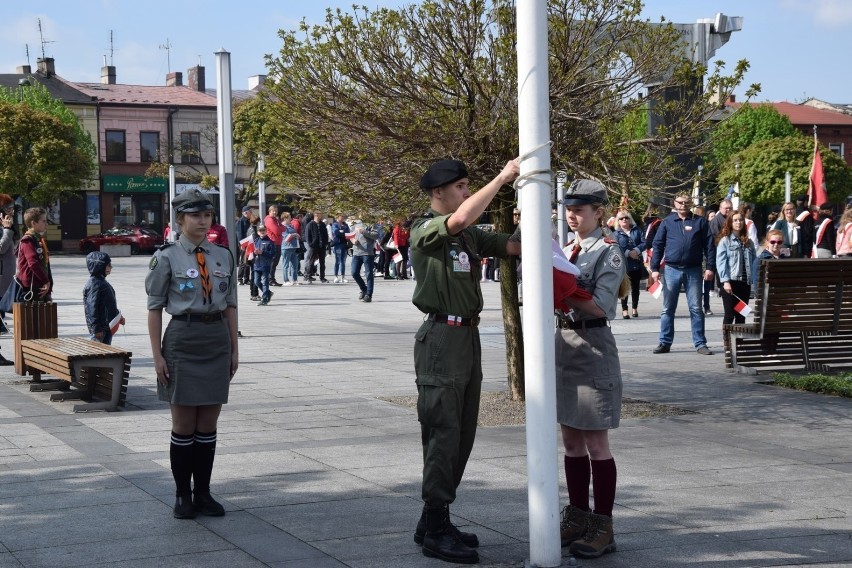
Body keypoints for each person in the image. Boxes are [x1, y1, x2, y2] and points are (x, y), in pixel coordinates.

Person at [410, 158, 521, 565]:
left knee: (463, 434)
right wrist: (503, 178)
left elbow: (511, 246)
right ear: (438, 191)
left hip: (467, 336)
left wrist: (535, 211)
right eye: (459, 186)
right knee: (443, 430)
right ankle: (436, 528)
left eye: (466, 185)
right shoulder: (426, 228)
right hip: (440, 337)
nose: (464, 191)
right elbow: (458, 219)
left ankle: (432, 519)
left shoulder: (469, 236)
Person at [145, 188, 238, 520]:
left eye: (207, 215)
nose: (203, 221)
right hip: (182, 338)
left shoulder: (224, 255)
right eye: (195, 215)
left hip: (215, 340)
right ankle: (182, 495)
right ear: (180, 219)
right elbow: (154, 309)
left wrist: (233, 350)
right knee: (184, 425)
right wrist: (157, 356)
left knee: (208, 424)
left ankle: (204, 493)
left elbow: (230, 305)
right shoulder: (167, 257)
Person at [555, 180, 624, 560]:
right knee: (570, 441)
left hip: (594, 346)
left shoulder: (608, 252)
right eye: (570, 208)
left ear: (599, 212)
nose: (573, 214)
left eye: (580, 209)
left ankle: (603, 523)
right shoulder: (567, 250)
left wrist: (563, 288)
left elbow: (601, 306)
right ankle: (578, 515)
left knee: (597, 444)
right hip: (565, 345)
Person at [650, 193, 715, 355]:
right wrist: (655, 268)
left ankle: (700, 344)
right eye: (680, 202)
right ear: (674, 203)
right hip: (671, 269)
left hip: (693, 270)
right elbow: (657, 245)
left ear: (691, 203)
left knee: (696, 308)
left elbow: (709, 246)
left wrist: (710, 267)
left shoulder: (700, 221)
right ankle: (664, 342)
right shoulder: (667, 222)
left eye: (686, 202)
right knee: (667, 309)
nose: (683, 205)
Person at [716, 211, 756, 325]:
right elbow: (721, 263)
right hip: (731, 283)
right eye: (735, 220)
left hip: (745, 283)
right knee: (729, 314)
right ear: (730, 222)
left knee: (741, 315)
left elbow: (754, 261)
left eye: (741, 220)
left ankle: (739, 342)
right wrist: (725, 281)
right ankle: (728, 342)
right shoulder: (725, 241)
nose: (738, 222)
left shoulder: (748, 242)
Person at [83, 251, 125, 344]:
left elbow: (109, 304)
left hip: (107, 327)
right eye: (108, 264)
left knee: (106, 351)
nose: (111, 267)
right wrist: (96, 328)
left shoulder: (102, 282)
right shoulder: (94, 284)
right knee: (99, 353)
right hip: (100, 329)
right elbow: (92, 307)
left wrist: (118, 316)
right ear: (99, 266)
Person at [16, 207, 53, 303]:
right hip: (31, 286)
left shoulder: (38, 239)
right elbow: (33, 263)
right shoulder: (27, 241)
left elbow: (45, 263)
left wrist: (49, 284)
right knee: (33, 317)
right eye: (43, 221)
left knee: (41, 316)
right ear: (33, 223)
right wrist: (46, 281)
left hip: (39, 285)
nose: (46, 224)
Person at [613, 211, 644, 319]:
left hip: (636, 263)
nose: (624, 220)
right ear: (618, 221)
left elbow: (644, 243)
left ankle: (635, 308)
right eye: (621, 218)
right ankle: (624, 310)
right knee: (625, 287)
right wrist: (628, 253)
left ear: (630, 219)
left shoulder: (637, 230)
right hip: (624, 264)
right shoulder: (616, 233)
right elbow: (616, 246)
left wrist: (636, 250)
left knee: (636, 288)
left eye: (626, 218)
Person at [0, 196, 18, 361]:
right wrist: (7, 230)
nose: (12, 211)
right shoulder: (3, 228)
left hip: (4, 281)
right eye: (8, 208)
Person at [350, 218, 379, 302]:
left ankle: (369, 294)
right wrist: (352, 240)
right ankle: (364, 289)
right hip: (356, 252)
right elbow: (350, 235)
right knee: (354, 272)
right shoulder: (355, 223)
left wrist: (364, 232)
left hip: (367, 252)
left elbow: (376, 235)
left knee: (369, 273)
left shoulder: (371, 223)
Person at [252, 225, 276, 305]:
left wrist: (262, 252)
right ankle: (268, 293)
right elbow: (251, 252)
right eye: (260, 230)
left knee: (265, 282)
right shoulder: (255, 241)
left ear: (266, 231)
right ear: (258, 232)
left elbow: (272, 254)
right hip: (257, 264)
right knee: (256, 281)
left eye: (264, 230)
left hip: (265, 265)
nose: (262, 232)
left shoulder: (270, 242)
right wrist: (253, 253)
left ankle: (265, 298)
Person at [304, 212, 329, 283]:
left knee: (322, 262)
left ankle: (322, 277)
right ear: (316, 215)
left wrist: (325, 243)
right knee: (311, 261)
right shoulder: (310, 224)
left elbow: (325, 234)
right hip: (314, 246)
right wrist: (311, 244)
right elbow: (307, 235)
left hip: (322, 246)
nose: (321, 216)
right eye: (320, 215)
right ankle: (308, 276)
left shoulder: (322, 224)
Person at [264, 205, 284, 286]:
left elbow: (284, 228)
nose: (275, 212)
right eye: (273, 211)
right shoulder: (269, 219)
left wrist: (280, 227)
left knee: (275, 263)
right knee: (272, 262)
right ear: (270, 211)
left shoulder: (276, 219)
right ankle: (270, 279)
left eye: (276, 211)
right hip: (273, 243)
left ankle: (272, 278)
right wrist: (280, 228)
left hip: (278, 242)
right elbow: (276, 231)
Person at [280, 213, 301, 285]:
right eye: (289, 218)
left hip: (293, 247)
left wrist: (296, 235)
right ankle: (286, 280)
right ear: (285, 218)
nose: (291, 219)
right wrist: (294, 234)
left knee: (294, 264)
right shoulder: (282, 226)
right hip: (286, 247)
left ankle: (294, 279)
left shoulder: (290, 225)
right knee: (286, 264)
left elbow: (295, 233)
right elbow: (286, 236)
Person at [331, 214, 350, 283]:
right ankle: (336, 276)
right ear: (338, 217)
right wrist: (343, 232)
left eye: (343, 216)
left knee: (343, 261)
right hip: (337, 244)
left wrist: (342, 231)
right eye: (341, 216)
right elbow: (336, 233)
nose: (343, 218)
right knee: (337, 261)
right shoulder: (335, 224)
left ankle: (343, 276)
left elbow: (348, 233)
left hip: (344, 244)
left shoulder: (346, 225)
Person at [236, 205, 253, 285]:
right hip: (244, 243)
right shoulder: (241, 221)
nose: (252, 213)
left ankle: (246, 278)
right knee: (243, 261)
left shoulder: (250, 221)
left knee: (248, 261)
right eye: (250, 211)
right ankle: (240, 278)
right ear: (246, 212)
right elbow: (239, 234)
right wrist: (243, 244)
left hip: (249, 242)